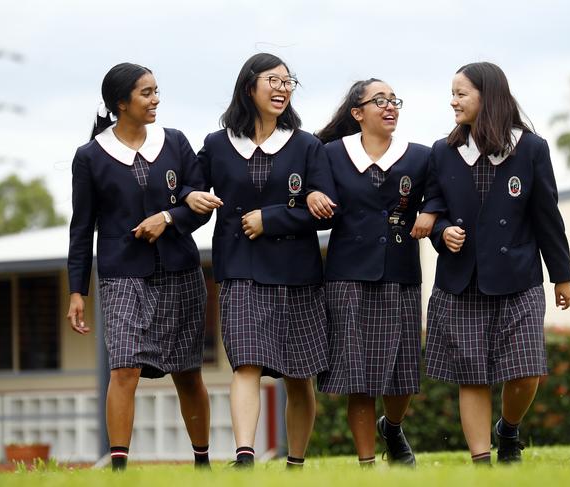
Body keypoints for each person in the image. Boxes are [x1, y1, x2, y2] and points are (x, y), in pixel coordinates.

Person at [185, 53, 332, 469]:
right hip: (240, 270)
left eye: (289, 81)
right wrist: (187, 197)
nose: (283, 88)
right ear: (250, 86)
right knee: (246, 363)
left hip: (298, 273)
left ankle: (296, 463)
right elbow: (194, 195)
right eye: (274, 80)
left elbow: (326, 210)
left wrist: (272, 218)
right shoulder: (217, 144)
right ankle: (245, 456)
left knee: (299, 374)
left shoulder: (307, 145)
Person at [423, 62, 570, 465]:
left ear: (487, 97)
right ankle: (482, 463)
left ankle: (508, 429)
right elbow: (433, 207)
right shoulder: (443, 151)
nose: (452, 101)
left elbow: (547, 216)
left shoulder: (532, 148)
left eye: (461, 93)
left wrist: (562, 276)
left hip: (519, 277)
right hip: (462, 280)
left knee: (526, 371)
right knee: (472, 376)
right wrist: (442, 234)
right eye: (452, 93)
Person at [67, 63, 212, 471]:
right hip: (121, 276)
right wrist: (77, 290)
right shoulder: (90, 156)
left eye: (156, 90)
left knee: (187, 372)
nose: (155, 100)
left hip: (181, 271)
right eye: (146, 93)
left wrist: (168, 218)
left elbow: (198, 205)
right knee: (124, 368)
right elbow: (81, 229)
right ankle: (118, 468)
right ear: (121, 103)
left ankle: (202, 464)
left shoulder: (176, 142)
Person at [309, 78, 440, 468]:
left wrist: (430, 212)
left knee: (402, 379)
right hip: (347, 277)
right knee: (359, 379)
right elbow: (310, 195)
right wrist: (313, 194)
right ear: (357, 113)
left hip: (400, 273)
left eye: (394, 100)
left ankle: (393, 426)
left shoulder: (420, 156)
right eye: (379, 100)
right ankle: (367, 465)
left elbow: (437, 195)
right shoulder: (330, 154)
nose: (390, 107)